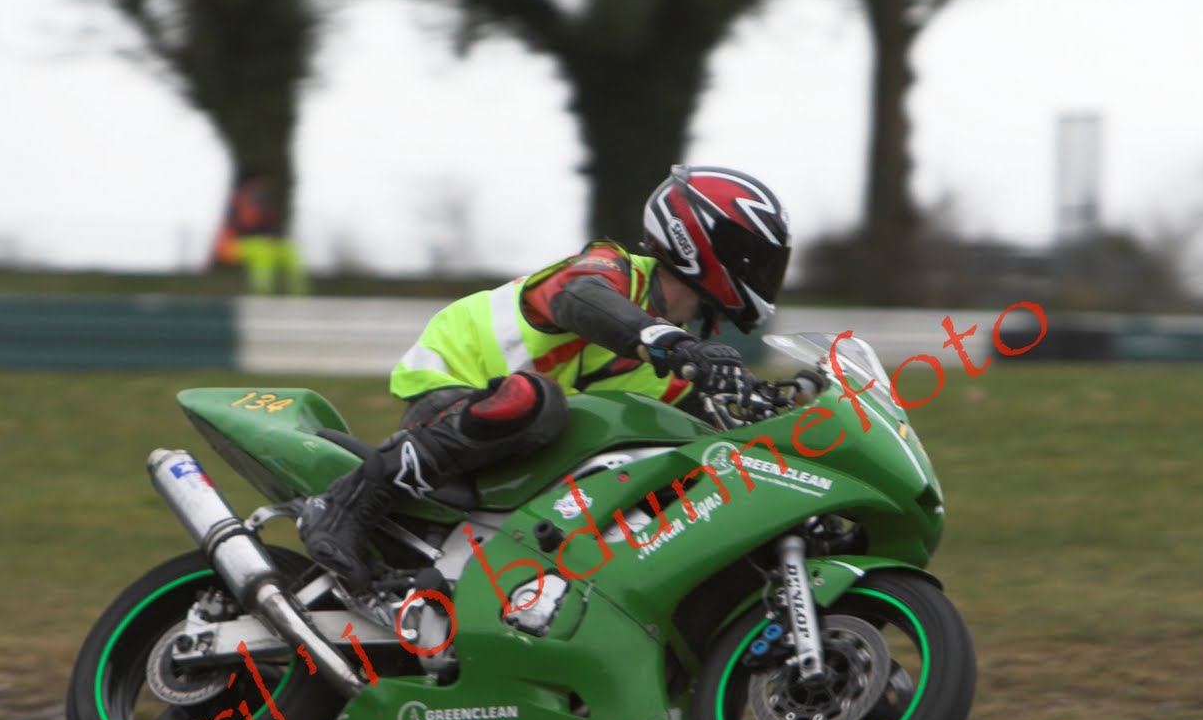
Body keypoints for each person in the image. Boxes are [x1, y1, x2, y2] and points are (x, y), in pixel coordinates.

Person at [297, 164, 792, 594]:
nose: (767, 272)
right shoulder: (611, 268)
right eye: (760, 258)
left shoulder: (672, 364)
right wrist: (674, 344)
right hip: (454, 385)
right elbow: (579, 299)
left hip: (524, 438)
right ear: (708, 244)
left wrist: (771, 413)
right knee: (535, 400)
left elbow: (710, 439)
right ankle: (346, 504)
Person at [212, 172, 309, 296]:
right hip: (234, 245)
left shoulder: (265, 204)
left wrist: (274, 238)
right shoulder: (236, 202)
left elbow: (272, 229)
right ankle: (261, 293)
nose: (262, 188)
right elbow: (239, 228)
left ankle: (298, 294)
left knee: (291, 250)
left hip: (262, 242)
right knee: (262, 252)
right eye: (258, 184)